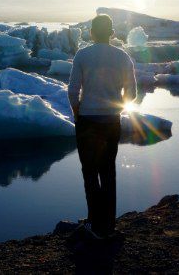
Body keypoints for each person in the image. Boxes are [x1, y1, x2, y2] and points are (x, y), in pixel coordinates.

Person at [68, 14, 137, 240]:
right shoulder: (123, 57)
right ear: (112, 33)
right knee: (108, 172)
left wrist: (78, 112)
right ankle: (108, 224)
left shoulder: (83, 55)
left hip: (87, 120)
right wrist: (117, 108)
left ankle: (94, 223)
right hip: (111, 121)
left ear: (91, 32)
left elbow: (73, 90)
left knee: (89, 172)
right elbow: (132, 94)